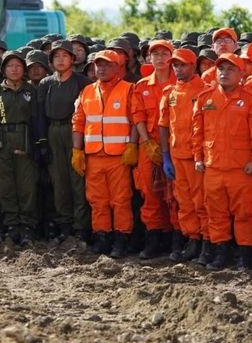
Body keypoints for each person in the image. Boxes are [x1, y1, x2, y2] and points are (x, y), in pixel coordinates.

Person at [71, 50, 139, 258]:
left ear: (118, 68)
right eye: (98, 65)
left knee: (120, 200)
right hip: (93, 156)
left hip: (119, 157)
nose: (101, 69)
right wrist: (77, 150)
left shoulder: (129, 89)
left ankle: (121, 239)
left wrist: (132, 146)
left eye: (107, 65)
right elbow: (78, 122)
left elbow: (136, 120)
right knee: (97, 200)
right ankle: (102, 238)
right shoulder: (87, 91)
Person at [191, 53, 252, 271]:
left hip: (241, 169)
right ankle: (220, 255)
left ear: (240, 73)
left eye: (230, 69)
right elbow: (197, 132)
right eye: (221, 69)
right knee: (216, 214)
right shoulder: (205, 98)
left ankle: (246, 258)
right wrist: (198, 158)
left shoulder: (249, 97)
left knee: (245, 214)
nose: (224, 73)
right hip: (212, 167)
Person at [37, 40, 92, 241]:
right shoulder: (46, 83)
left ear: (72, 59)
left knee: (77, 179)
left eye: (65, 56)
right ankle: (65, 224)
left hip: (75, 131)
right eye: (56, 56)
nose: (61, 60)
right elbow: (40, 114)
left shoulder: (82, 82)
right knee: (59, 181)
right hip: (53, 131)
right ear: (51, 60)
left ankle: (81, 226)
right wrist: (42, 142)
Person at [0, 51, 42, 244]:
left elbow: (36, 119)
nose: (15, 69)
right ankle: (11, 225)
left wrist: (35, 145)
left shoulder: (30, 91)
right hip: (2, 139)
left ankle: (27, 226)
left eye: (18, 65)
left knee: (26, 185)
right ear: (4, 70)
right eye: (10, 66)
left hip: (24, 136)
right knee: (5, 185)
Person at [158, 48, 207, 263]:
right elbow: (163, 126)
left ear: (193, 66)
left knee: (202, 202)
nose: (178, 69)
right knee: (184, 202)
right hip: (177, 156)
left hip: (198, 158)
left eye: (182, 65)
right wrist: (166, 156)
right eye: (175, 65)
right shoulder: (169, 94)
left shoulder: (205, 91)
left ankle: (208, 242)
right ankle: (193, 240)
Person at [131, 39, 176, 258]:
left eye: (164, 54)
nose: (159, 58)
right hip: (148, 146)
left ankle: (174, 241)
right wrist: (146, 142)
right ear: (149, 58)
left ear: (172, 57)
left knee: (176, 196)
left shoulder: (180, 83)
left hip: (176, 147)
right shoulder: (141, 86)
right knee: (149, 193)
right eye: (154, 54)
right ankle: (153, 240)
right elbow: (137, 116)